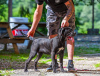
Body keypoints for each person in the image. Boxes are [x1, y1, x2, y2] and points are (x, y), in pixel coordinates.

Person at [27, 0, 75, 72]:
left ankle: (70, 63)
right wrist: (33, 28)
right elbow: (38, 11)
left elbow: (71, 7)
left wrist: (66, 19)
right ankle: (54, 63)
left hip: (67, 10)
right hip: (52, 9)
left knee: (69, 35)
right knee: (52, 33)